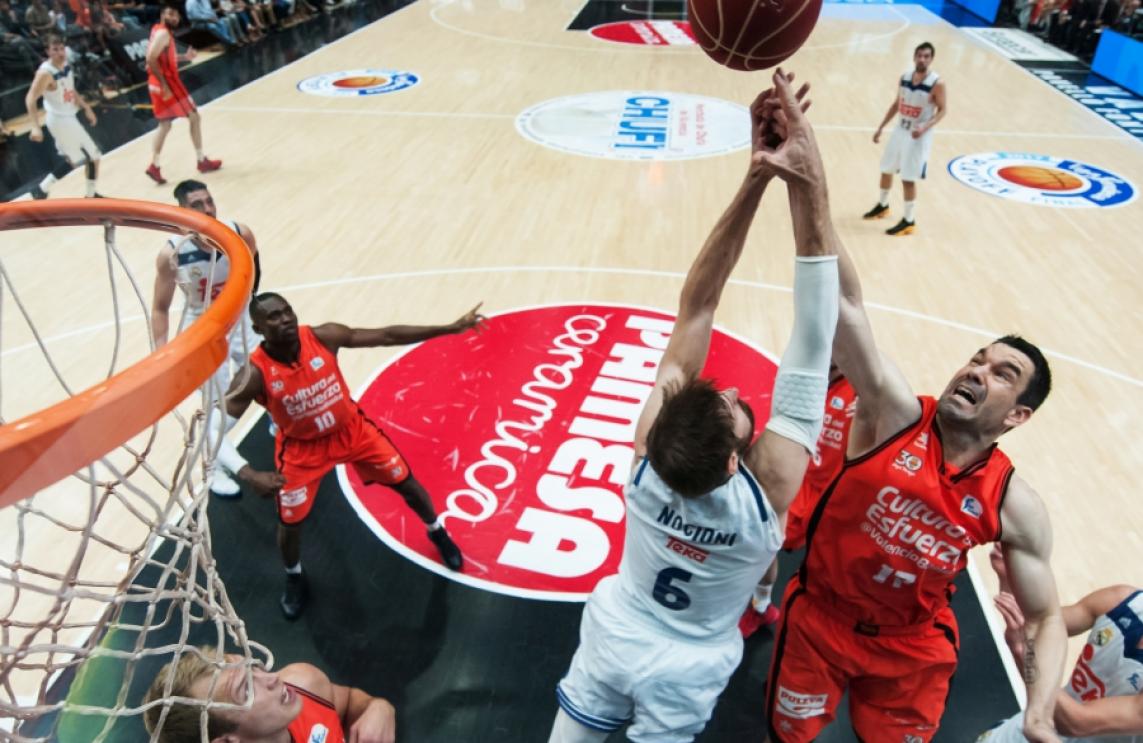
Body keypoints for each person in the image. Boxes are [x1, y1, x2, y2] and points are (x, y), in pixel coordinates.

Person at [765, 91, 1066, 743]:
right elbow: (844, 301)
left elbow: (1046, 617)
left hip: (912, 649)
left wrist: (1040, 709)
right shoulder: (893, 415)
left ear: (1017, 415)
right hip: (821, 620)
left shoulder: (1013, 503)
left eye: (1001, 373)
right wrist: (806, 178)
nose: (976, 370)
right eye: (977, 358)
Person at [550, 70, 840, 743]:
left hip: (616, 628)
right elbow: (813, 332)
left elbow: (698, 304)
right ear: (738, 460)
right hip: (688, 664)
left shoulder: (646, 462)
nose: (735, 390)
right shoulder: (767, 494)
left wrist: (755, 177)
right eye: (736, 406)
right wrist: (801, 179)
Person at [210, 292, 480, 619]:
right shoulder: (254, 374)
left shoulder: (323, 337)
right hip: (302, 451)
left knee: (407, 484)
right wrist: (249, 473)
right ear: (258, 329)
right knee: (290, 524)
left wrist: (449, 328)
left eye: (287, 311)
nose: (286, 319)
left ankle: (437, 531)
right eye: (274, 317)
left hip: (353, 432)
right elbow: (210, 430)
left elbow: (386, 335)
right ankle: (294, 575)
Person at [151, 179, 261, 497]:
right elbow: (160, 308)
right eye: (197, 205)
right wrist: (161, 354)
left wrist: (253, 308)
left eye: (209, 201)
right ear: (182, 211)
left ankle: (280, 424)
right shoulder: (172, 254)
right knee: (216, 405)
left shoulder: (239, 233)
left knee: (269, 375)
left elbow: (253, 272)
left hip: (239, 317)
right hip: (203, 327)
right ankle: (211, 470)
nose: (208, 209)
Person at [738, 363, 855, 638]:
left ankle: (768, 609)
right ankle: (761, 606)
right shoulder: (806, 376)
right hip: (793, 478)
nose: (831, 356)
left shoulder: (862, 393)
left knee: (762, 546)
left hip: (826, 495)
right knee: (759, 544)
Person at [977, 549, 1143, 741]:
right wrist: (1012, 579)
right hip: (1027, 728)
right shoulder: (1122, 602)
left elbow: (1076, 723)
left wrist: (1025, 656)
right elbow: (1035, 625)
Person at [143, 646, 396, 743]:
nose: (273, 678)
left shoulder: (302, 684)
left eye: (252, 667)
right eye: (247, 689)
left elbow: (349, 700)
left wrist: (377, 708)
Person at [862, 41, 947, 237]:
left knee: (908, 178)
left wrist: (925, 126)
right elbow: (896, 104)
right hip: (900, 129)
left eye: (926, 56)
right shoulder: (905, 77)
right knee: (886, 169)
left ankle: (909, 221)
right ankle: (883, 206)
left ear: (931, 59)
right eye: (919, 55)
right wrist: (881, 127)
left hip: (918, 135)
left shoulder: (937, 83)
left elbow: (943, 110)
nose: (922, 59)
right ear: (914, 57)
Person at [144, 1, 221, 185]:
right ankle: (201, 161)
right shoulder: (163, 33)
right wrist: (165, 84)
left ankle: (154, 165)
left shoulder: (158, 30)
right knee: (194, 117)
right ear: (163, 15)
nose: (174, 18)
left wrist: (184, 57)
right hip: (167, 82)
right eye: (170, 14)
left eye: (176, 15)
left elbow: (162, 57)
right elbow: (150, 59)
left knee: (165, 125)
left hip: (155, 83)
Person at [24, 33, 102, 200]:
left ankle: (41, 189)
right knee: (93, 156)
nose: (60, 53)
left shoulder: (65, 64)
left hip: (68, 116)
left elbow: (70, 89)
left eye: (61, 48)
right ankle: (91, 196)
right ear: (48, 52)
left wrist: (86, 107)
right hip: (60, 120)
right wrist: (35, 127)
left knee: (72, 160)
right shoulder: (45, 73)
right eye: (55, 49)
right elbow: (30, 98)